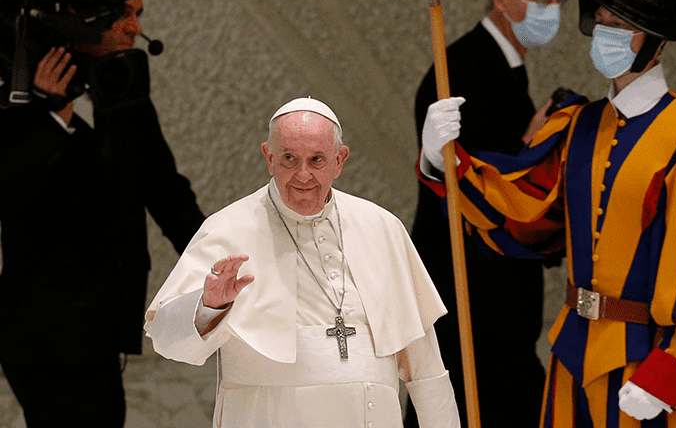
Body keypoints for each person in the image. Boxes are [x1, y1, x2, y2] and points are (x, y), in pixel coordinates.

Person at [419, 0, 676, 426]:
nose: (607, 35)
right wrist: (445, 162)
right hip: (571, 350)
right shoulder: (580, 125)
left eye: (624, 28)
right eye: (604, 21)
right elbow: (525, 215)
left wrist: (670, 370)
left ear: (658, 41)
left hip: (645, 362)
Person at [144, 97, 460, 428]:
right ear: (269, 158)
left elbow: (426, 370)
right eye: (289, 159)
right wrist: (209, 306)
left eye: (317, 160)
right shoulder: (227, 230)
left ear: (340, 160)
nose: (303, 175)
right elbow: (167, 341)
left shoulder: (381, 227)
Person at [0, 0, 205, 427]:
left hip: (101, 327)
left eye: (139, 15)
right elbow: (13, 195)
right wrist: (50, 115)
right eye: (124, 12)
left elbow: (166, 190)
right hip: (45, 333)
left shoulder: (122, 86)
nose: (134, 28)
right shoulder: (17, 88)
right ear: (82, 15)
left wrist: (221, 264)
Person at [408, 0, 567, 426]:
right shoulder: (463, 68)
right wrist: (531, 147)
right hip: (473, 293)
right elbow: (470, 183)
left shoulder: (502, 64)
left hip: (498, 299)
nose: (552, 9)